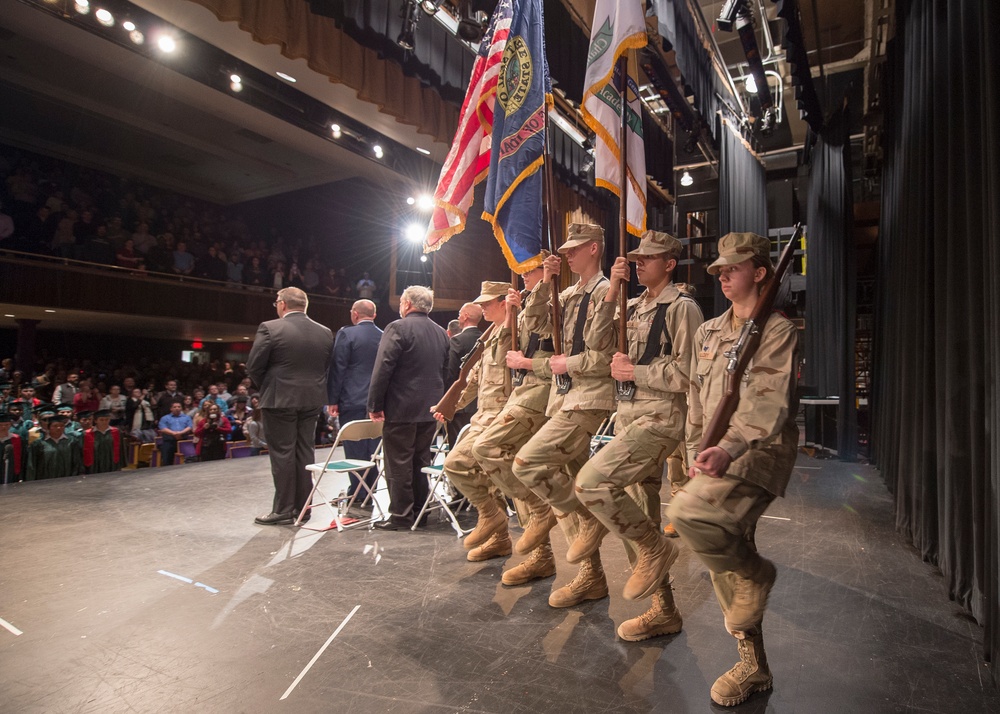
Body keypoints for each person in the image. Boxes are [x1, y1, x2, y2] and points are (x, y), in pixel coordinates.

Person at [667, 232, 799, 707]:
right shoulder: (710, 331)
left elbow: (767, 405)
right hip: (715, 453)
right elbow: (700, 401)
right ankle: (754, 664)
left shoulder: (777, 330)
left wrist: (728, 447)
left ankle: (755, 587)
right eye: (718, 271)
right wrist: (694, 449)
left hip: (760, 452)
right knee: (724, 543)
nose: (722, 276)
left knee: (701, 522)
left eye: (732, 269)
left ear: (760, 272)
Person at [570, 230, 704, 641]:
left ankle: (655, 548)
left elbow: (689, 375)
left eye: (650, 257)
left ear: (670, 263)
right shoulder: (631, 304)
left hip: (660, 419)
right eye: (637, 257)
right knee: (639, 515)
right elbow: (595, 341)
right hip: (628, 417)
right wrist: (612, 289)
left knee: (592, 482)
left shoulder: (683, 309)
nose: (640, 262)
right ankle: (663, 609)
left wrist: (636, 372)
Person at [513, 222, 614, 608]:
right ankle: (591, 577)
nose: (567, 254)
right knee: (565, 486)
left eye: (574, 249)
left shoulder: (608, 292)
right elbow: (532, 325)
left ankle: (590, 520)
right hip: (564, 399)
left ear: (593, 249)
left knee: (528, 463)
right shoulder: (568, 293)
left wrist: (565, 365)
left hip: (587, 400)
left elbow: (603, 358)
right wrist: (544, 283)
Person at [472, 262, 558, 586]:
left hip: (547, 398)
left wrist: (526, 361)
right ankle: (541, 556)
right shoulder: (521, 312)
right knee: (509, 467)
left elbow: (559, 358)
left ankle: (583, 571)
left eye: (532, 267)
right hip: (523, 396)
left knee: (495, 453)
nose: (523, 272)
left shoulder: (554, 307)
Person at [434, 282, 514, 560]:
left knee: (459, 464)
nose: (482, 308)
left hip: (505, 417)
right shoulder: (489, 337)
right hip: (484, 416)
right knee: (482, 478)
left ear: (505, 302)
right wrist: (450, 406)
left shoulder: (517, 334)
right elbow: (472, 381)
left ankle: (494, 520)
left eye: (488, 303)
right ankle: (499, 538)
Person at [247, 286, 334, 525]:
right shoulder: (325, 332)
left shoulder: (270, 328)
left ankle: (284, 509)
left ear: (282, 304)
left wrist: (270, 385)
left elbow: (254, 366)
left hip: (279, 399)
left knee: (283, 452)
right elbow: (325, 365)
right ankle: (303, 508)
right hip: (312, 399)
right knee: (305, 450)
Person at [367, 285, 449, 530]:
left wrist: (375, 404)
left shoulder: (397, 327)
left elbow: (383, 368)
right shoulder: (440, 333)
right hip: (430, 407)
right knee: (421, 460)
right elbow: (445, 371)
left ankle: (401, 516)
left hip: (401, 407)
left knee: (398, 463)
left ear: (407, 304)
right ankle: (419, 513)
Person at [327, 299, 383, 496]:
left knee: (354, 448)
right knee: (373, 447)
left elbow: (338, 368)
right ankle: (370, 488)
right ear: (374, 315)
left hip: (351, 398)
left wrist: (332, 399)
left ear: (355, 314)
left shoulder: (347, 334)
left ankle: (358, 492)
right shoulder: (384, 336)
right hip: (377, 401)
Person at [444, 302, 483, 447]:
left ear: (465, 316)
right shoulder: (486, 339)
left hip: (460, 403)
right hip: (480, 401)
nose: (458, 316)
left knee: (456, 446)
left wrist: (446, 401)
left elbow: (450, 372)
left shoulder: (457, 340)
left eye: (460, 313)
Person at [83, 409, 124, 474]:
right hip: (94, 465)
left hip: (112, 464)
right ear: (95, 420)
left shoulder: (116, 432)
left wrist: (120, 464)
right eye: (101, 420)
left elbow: (121, 449)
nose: (104, 422)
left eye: (107, 419)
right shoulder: (87, 434)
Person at [158, 401, 193, 466]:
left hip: (183, 440)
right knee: (167, 461)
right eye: (174, 407)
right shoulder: (165, 418)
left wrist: (181, 433)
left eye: (179, 407)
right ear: (171, 409)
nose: (177, 408)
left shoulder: (187, 417)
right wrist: (174, 433)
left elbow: (190, 427)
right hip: (169, 441)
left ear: (181, 408)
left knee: (187, 460)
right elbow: (163, 428)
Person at [0, 412, 24, 484]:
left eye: (6, 425)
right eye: (1, 425)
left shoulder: (17, 439)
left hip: (11, 474)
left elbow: (22, 458)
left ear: (10, 425)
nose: (4, 427)